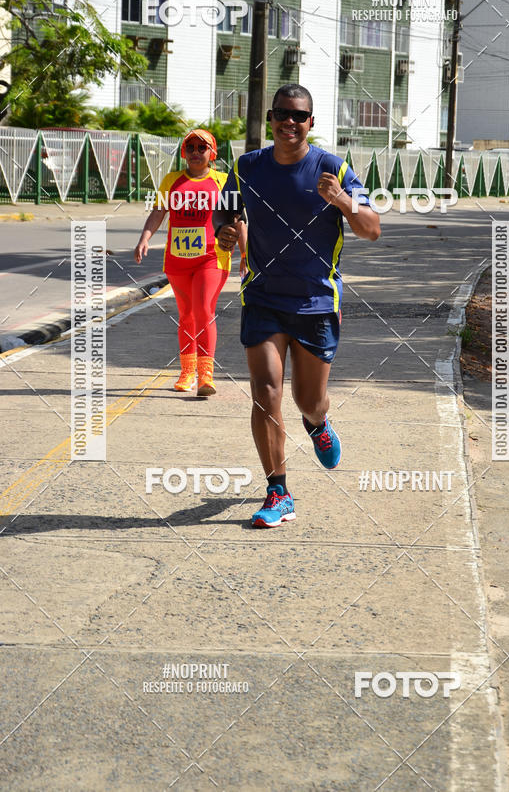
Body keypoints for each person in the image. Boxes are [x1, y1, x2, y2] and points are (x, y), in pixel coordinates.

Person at [214, 84, 380, 528]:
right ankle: (278, 491)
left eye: (299, 116)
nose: (290, 122)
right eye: (282, 113)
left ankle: (318, 423)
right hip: (263, 296)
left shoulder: (333, 168)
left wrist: (341, 200)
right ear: (270, 118)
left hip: (315, 302)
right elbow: (226, 211)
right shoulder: (247, 167)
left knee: (308, 400)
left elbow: (372, 228)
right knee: (265, 392)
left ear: (312, 122)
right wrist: (224, 232)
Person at [135, 128, 246, 396]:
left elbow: (238, 219)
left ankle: (206, 375)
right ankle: (187, 371)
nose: (196, 152)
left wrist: (245, 255)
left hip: (212, 257)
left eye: (202, 147)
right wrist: (144, 238)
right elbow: (159, 211)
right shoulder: (172, 180)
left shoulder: (223, 181)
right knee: (186, 315)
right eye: (190, 148)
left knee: (203, 310)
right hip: (178, 260)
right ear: (184, 152)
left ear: (212, 153)